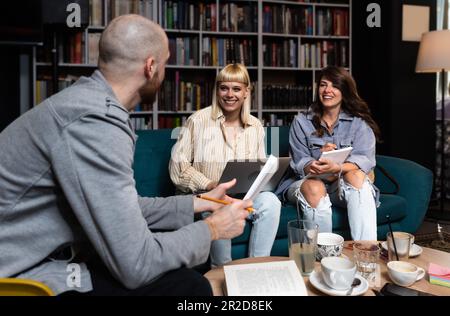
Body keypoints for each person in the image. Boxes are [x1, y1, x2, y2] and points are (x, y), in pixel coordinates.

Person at [0, 15, 252, 296]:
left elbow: (121, 207)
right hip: (19, 274)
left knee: (187, 267)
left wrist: (201, 203)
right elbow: (136, 264)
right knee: (189, 287)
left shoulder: (88, 104)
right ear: (151, 66)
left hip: (47, 258)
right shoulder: (95, 121)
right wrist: (213, 229)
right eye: (165, 64)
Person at [169, 64, 281, 266]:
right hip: (209, 196)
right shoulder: (198, 120)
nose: (230, 95)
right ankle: (223, 271)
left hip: (241, 196)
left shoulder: (255, 125)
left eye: (236, 89)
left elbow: (259, 168)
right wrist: (212, 185)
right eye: (224, 88)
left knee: (271, 202)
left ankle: (258, 265)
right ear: (217, 90)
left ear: (246, 92)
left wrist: (264, 178)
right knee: (217, 208)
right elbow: (178, 169)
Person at [276, 66, 381, 241]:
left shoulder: (359, 123)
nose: (327, 90)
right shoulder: (301, 122)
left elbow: (364, 160)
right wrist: (319, 160)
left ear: (344, 91)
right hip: (307, 182)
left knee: (356, 176)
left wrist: (337, 166)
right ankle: (323, 256)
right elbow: (300, 162)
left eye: (335, 86)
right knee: (315, 187)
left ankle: (366, 251)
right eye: (323, 85)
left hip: (339, 184)